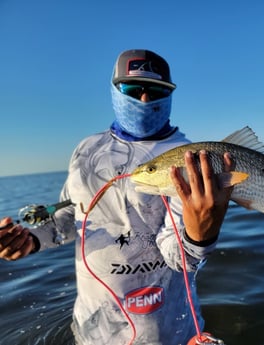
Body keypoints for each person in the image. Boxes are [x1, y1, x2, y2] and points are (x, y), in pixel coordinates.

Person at [0, 49, 233, 344]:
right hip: (93, 329)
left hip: (170, 330)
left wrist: (201, 235)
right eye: (133, 90)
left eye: (157, 91)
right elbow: (70, 218)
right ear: (115, 91)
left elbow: (179, 257)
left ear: (170, 95)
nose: (145, 99)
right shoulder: (86, 150)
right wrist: (31, 239)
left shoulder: (189, 159)